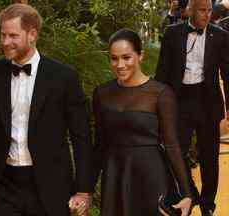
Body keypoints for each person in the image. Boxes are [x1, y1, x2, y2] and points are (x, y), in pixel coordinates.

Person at [0, 3, 93, 216]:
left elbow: (81, 136)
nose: (5, 42)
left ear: (32, 34)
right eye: (3, 35)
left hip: (51, 185)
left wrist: (83, 190)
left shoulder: (64, 77)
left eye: (13, 36)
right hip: (4, 186)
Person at [92, 28, 192, 216]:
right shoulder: (101, 93)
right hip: (115, 176)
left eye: (126, 57)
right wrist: (85, 190)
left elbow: (171, 144)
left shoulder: (160, 93)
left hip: (150, 175)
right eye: (114, 58)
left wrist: (186, 193)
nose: (120, 64)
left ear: (140, 56)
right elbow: (99, 145)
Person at [155, 0, 229, 215]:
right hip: (180, 101)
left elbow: (227, 71)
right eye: (202, 10)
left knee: (209, 157)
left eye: (208, 11)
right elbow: (163, 71)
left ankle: (207, 206)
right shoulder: (172, 33)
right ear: (189, 11)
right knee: (175, 152)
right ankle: (189, 194)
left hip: (208, 102)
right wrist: (158, 103)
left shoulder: (221, 35)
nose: (206, 15)